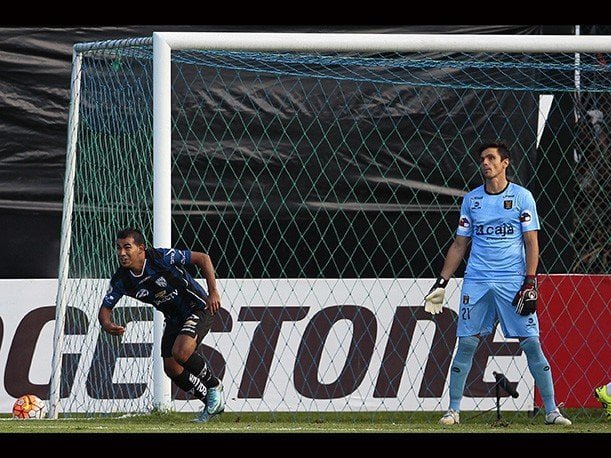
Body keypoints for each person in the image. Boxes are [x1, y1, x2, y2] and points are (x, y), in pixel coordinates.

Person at [424, 140, 572, 426]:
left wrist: (530, 282)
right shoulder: (472, 200)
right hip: (477, 282)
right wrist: (441, 282)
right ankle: (453, 411)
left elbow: (532, 242)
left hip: (512, 283)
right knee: (466, 343)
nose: (485, 163)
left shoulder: (522, 197)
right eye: (482, 159)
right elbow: (459, 244)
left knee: (531, 344)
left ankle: (552, 411)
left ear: (505, 163)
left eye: (491, 158)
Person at [99, 228, 225, 422]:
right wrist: (107, 324)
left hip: (197, 307)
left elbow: (203, 258)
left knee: (181, 353)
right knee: (172, 368)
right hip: (173, 318)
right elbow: (105, 309)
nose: (121, 253)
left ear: (141, 248)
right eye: (118, 248)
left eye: (127, 247)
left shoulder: (160, 258)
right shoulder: (121, 279)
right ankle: (211, 402)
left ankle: (214, 385)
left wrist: (213, 292)